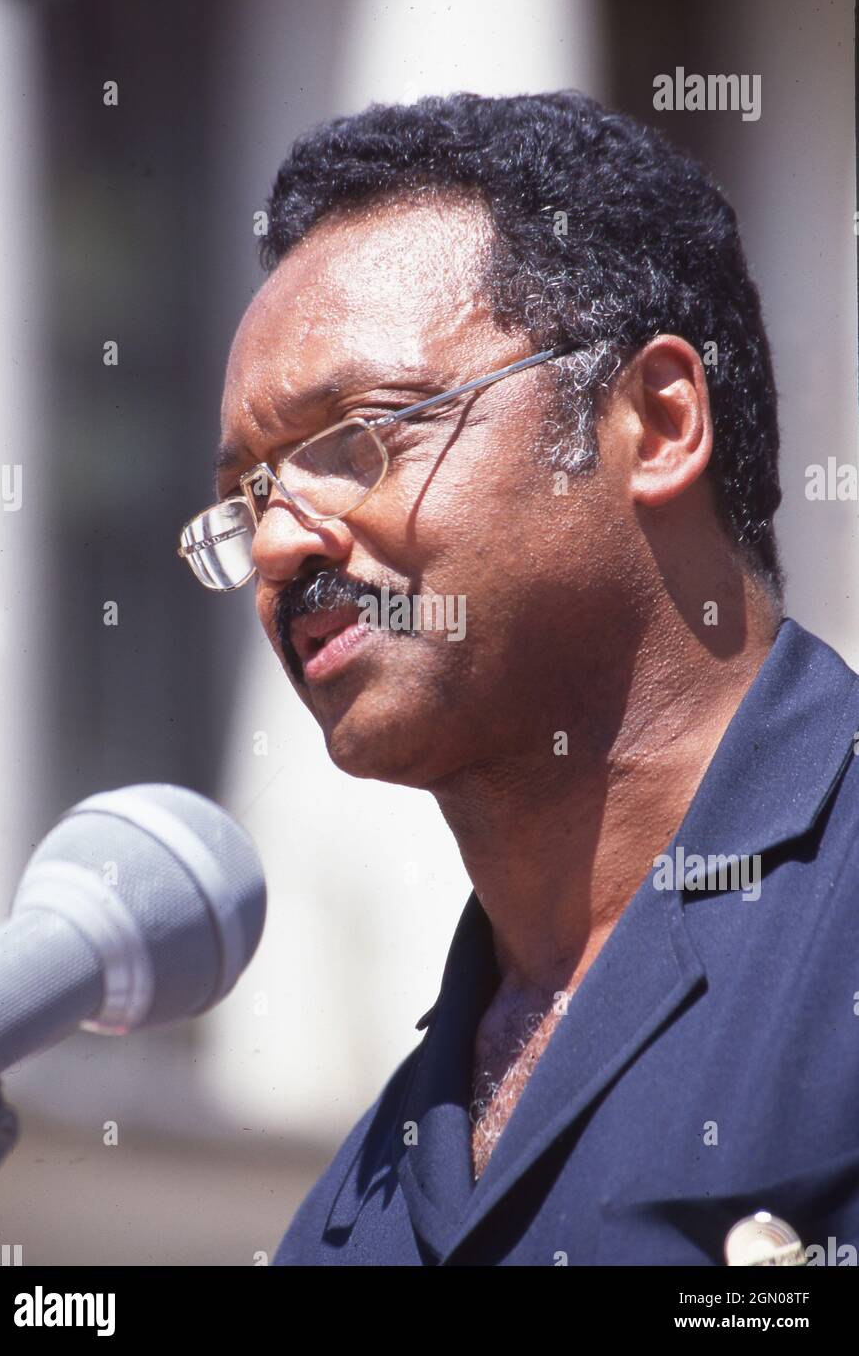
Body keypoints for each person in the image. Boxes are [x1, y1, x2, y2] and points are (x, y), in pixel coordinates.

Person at [178, 91, 859, 1265]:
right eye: (247, 499)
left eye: (358, 440)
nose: (282, 543)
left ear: (653, 421)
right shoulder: (354, 1211)